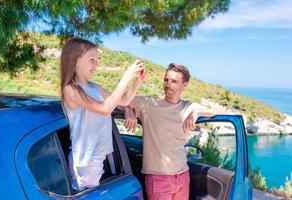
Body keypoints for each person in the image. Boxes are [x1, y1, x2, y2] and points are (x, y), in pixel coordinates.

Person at [60, 38, 146, 190]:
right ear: (75, 60)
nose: (96, 65)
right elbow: (105, 108)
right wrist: (125, 78)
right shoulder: (70, 89)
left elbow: (123, 100)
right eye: (91, 59)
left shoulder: (94, 87)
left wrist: (136, 82)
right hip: (84, 161)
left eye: (97, 60)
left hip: (96, 157)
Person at [127, 63, 217, 200]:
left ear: (184, 85)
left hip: (183, 175)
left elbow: (218, 112)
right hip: (158, 178)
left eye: (174, 81)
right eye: (166, 80)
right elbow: (120, 100)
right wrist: (128, 110)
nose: (168, 84)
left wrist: (197, 112)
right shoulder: (149, 104)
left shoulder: (188, 106)